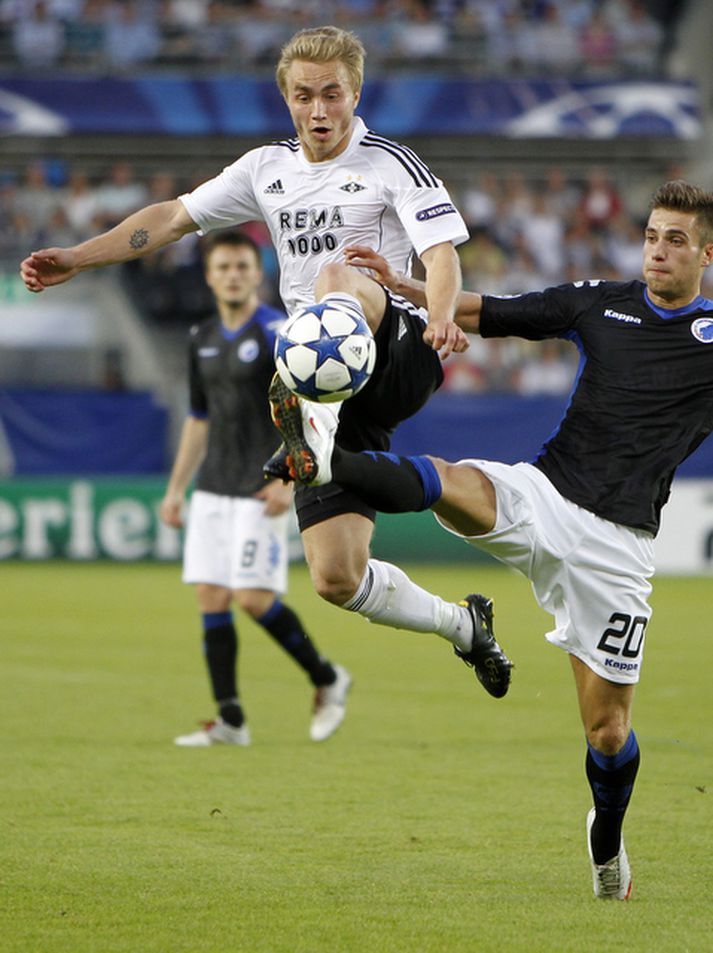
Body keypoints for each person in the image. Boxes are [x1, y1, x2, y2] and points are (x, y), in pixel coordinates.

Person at [20, 24, 512, 700]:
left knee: (338, 275)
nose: (318, 111)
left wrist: (437, 313)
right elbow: (170, 218)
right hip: (324, 379)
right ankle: (463, 626)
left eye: (331, 95)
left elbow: (440, 254)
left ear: (355, 93)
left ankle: (308, 425)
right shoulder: (265, 170)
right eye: (303, 96)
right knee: (337, 577)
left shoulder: (391, 163)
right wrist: (77, 256)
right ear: (286, 99)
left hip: (398, 349)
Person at [269, 180, 713, 899]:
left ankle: (606, 842)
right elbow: (491, 312)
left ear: (704, 253)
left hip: (618, 548)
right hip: (545, 493)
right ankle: (324, 459)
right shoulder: (602, 302)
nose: (657, 250)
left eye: (675, 240)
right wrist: (411, 289)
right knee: (451, 481)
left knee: (606, 731)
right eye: (652, 235)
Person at [159, 230, 351, 745]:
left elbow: (308, 409)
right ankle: (230, 720)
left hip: (261, 485)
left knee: (251, 597)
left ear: (256, 271)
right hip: (213, 487)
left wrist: (289, 478)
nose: (232, 275)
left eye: (242, 266)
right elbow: (198, 419)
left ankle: (327, 677)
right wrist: (177, 489)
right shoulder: (200, 338)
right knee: (211, 596)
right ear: (209, 275)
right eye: (223, 267)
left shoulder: (279, 334)